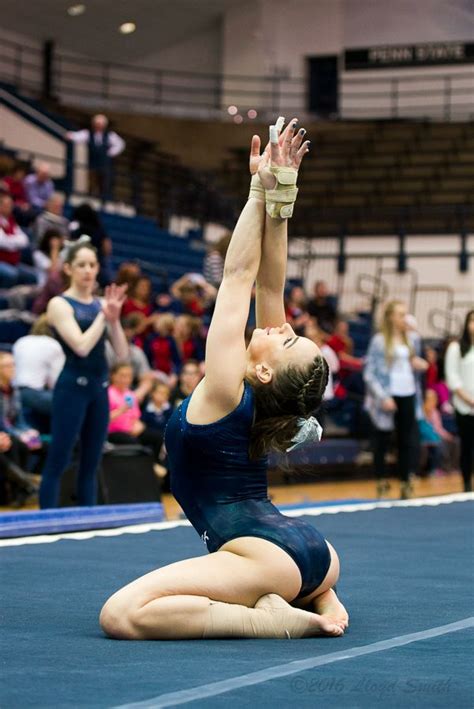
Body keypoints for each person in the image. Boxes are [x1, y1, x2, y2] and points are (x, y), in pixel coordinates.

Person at [100, 117, 348, 641]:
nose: (281, 326)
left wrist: (257, 189)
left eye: (286, 338)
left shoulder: (223, 388)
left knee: (121, 615)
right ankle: (318, 596)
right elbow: (271, 279)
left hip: (265, 554)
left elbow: (238, 277)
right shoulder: (262, 395)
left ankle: (267, 619)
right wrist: (282, 191)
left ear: (263, 368)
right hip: (316, 554)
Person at [39, 237, 128, 509]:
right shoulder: (59, 304)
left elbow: (123, 355)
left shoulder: (102, 304)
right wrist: (104, 315)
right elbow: (80, 346)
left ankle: (88, 523)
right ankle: (48, 521)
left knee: (91, 461)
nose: (88, 270)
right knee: (60, 457)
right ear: (68, 269)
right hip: (72, 388)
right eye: (81, 265)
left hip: (98, 388)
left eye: (92, 264)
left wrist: (114, 321)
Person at [364, 300, 428, 499]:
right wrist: (382, 396)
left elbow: (412, 363)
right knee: (382, 439)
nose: (404, 318)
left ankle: (405, 480)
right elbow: (369, 372)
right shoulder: (379, 341)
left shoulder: (413, 339)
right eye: (400, 314)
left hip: (408, 391)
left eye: (405, 314)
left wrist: (419, 364)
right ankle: (381, 479)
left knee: (406, 439)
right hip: (388, 394)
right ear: (391, 317)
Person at [13, 315, 65, 425]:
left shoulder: (21, 341)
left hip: (15, 391)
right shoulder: (53, 345)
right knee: (72, 404)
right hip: (34, 393)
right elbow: (56, 382)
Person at [445, 310, 474, 492]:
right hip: (465, 405)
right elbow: (452, 377)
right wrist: (469, 400)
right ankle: (466, 484)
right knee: (467, 446)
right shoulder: (456, 348)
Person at [66, 114, 125, 201]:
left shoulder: (110, 135)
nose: (98, 126)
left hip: (104, 164)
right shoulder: (88, 133)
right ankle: (90, 199)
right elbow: (78, 136)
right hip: (92, 163)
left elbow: (120, 144)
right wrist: (71, 135)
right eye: (96, 124)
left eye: (100, 124)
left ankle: (104, 200)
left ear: (104, 125)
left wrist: (110, 153)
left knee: (104, 184)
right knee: (91, 183)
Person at [0, 192, 37, 288]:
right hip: (2, 261)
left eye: (11, 205)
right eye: (7, 205)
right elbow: (3, 242)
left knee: (32, 276)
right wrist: (14, 242)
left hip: (13, 262)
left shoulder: (11, 220)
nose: (10, 207)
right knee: (11, 274)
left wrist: (11, 242)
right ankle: (5, 299)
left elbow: (24, 240)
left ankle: (20, 300)